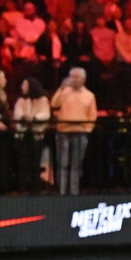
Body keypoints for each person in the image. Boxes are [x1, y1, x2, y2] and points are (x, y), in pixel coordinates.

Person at [50, 67, 97, 195]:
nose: (74, 79)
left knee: (76, 165)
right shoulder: (64, 92)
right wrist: (61, 88)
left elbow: (92, 115)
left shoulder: (89, 95)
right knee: (63, 164)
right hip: (64, 132)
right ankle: (62, 192)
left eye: (77, 77)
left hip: (80, 133)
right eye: (72, 76)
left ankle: (74, 193)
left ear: (83, 79)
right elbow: (54, 104)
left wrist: (87, 129)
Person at [12, 77, 51, 193]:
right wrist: (24, 117)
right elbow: (17, 114)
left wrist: (34, 117)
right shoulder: (21, 100)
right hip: (23, 135)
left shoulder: (43, 100)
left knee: (35, 162)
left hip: (36, 135)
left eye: (24, 85)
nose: (22, 87)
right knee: (23, 162)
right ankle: (22, 187)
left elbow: (45, 114)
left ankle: (36, 188)